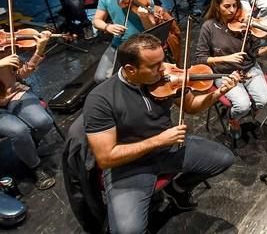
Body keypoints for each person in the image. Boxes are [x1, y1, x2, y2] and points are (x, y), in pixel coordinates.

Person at [84, 33, 238, 234]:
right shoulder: (100, 100)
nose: (164, 68)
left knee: (224, 159)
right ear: (131, 69)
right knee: (128, 232)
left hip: (169, 148)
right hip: (130, 167)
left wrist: (217, 93)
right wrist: (158, 140)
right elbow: (106, 158)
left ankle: (178, 189)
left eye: (163, 60)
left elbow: (191, 106)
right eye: (155, 66)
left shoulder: (165, 78)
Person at [195, 0, 267, 128]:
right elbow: (201, 58)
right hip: (224, 73)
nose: (232, 10)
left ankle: (256, 110)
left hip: (249, 68)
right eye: (227, 6)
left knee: (266, 101)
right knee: (242, 106)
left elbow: (257, 52)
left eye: (235, 5)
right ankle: (232, 118)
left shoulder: (245, 24)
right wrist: (226, 58)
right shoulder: (209, 27)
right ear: (217, 7)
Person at [0, 31, 56, 190]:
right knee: (18, 131)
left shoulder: (3, 45)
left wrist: (39, 50)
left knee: (43, 122)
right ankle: (35, 166)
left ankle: (26, 149)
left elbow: (20, 74)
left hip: (13, 94)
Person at [92, 0, 155, 83]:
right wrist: (107, 27)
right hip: (119, 43)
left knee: (134, 79)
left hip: (141, 44)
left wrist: (144, 18)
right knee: (100, 78)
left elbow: (151, 29)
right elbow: (96, 20)